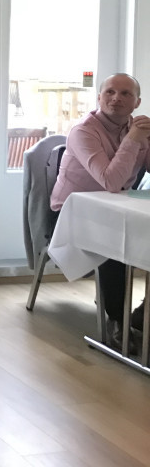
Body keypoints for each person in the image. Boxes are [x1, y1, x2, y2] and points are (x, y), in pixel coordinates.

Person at [49, 72, 150, 349]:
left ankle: (143, 314)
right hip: (73, 214)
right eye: (110, 92)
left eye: (126, 93)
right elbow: (111, 181)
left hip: (117, 209)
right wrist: (134, 139)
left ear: (137, 102)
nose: (116, 98)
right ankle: (118, 321)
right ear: (99, 98)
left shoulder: (137, 128)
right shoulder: (83, 131)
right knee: (114, 245)